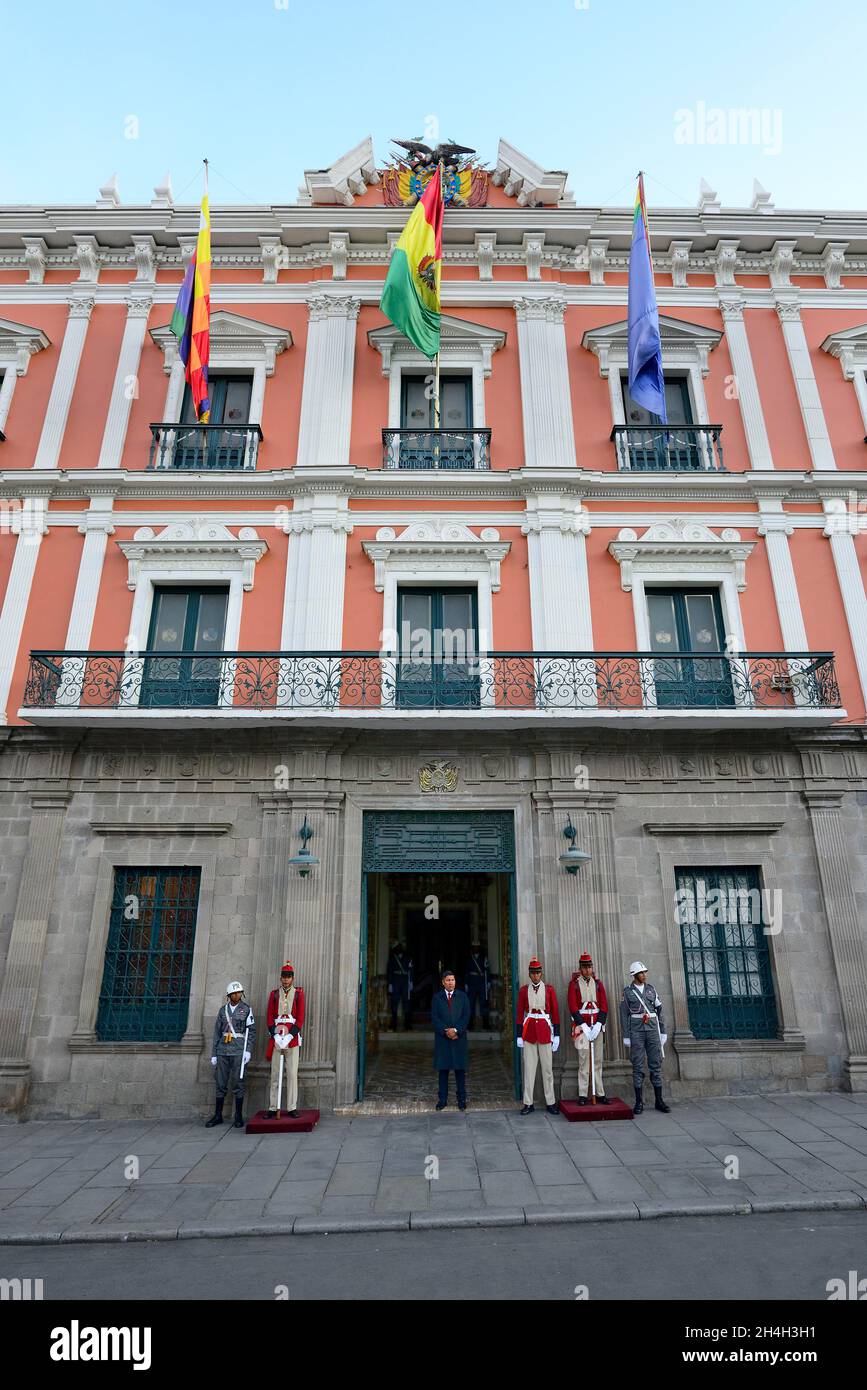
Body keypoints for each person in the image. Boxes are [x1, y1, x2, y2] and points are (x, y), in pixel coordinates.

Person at [619, 961, 670, 1115]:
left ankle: (659, 1100)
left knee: (655, 1064)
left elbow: (659, 1011)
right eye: (641, 973)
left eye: (644, 972)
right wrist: (626, 1035)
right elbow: (623, 1015)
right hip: (637, 1031)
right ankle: (639, 1101)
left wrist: (663, 1031)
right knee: (638, 1065)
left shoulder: (651, 989)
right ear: (634, 975)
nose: (644, 975)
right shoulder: (628, 992)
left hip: (653, 1030)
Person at [206, 981, 256, 1129]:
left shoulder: (246, 1010)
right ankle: (218, 1115)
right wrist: (214, 1053)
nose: (237, 995)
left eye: (239, 992)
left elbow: (251, 1032)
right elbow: (216, 1032)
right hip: (223, 1050)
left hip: (238, 1050)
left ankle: (238, 1115)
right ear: (229, 995)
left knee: (238, 1082)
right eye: (234, 993)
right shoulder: (223, 1011)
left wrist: (248, 1050)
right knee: (220, 1082)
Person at [516, 957, 560, 1115]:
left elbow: (555, 1012)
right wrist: (518, 1034)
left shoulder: (549, 990)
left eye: (538, 973)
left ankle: (550, 1102)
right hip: (528, 1033)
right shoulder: (523, 990)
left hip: (545, 1031)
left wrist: (557, 1035)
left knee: (548, 1070)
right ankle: (528, 1103)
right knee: (529, 1070)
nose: (536, 976)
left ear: (541, 973)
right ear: (529, 974)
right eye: (533, 973)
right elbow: (520, 1012)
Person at [567, 952, 610, 1104]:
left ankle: (600, 1092)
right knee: (584, 1061)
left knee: (598, 1060)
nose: (587, 970)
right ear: (580, 968)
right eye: (584, 967)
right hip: (582, 1028)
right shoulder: (573, 985)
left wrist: (599, 1024)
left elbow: (604, 1005)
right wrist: (583, 1026)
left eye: (589, 967)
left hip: (597, 1026)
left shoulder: (598, 984)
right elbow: (573, 1007)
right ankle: (583, 1094)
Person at [265, 962, 304, 1118]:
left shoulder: (299, 995)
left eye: (289, 977)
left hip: (291, 1038)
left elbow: (300, 1018)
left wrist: (290, 1035)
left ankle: (292, 1106)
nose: (286, 980)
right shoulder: (274, 994)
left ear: (293, 978)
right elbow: (269, 1016)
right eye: (284, 977)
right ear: (280, 978)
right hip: (276, 1036)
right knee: (275, 1073)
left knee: (292, 1073)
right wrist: (274, 1034)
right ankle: (273, 1107)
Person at [431, 968, 470, 1110]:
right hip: (443, 1039)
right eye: (447, 980)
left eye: (452, 980)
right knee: (443, 1071)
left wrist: (456, 1030)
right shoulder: (437, 998)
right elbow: (435, 1018)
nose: (450, 983)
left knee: (460, 1071)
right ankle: (442, 1100)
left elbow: (466, 1016)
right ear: (443, 982)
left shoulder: (462, 997)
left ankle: (461, 1100)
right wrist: (445, 1031)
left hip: (459, 1038)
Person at [386, 941, 414, 1032]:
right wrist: (390, 983)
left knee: (407, 1002)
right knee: (394, 1002)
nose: (399, 949)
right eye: (397, 947)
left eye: (399, 947)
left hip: (405, 981)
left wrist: (411, 981)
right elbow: (389, 971)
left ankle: (407, 1023)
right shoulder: (392, 958)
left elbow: (411, 970)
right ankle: (394, 1023)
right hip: (395, 981)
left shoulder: (408, 958)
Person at [465, 942, 491, 1030]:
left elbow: (487, 970)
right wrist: (466, 983)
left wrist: (488, 982)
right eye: (474, 947)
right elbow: (467, 972)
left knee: (484, 1003)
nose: (475, 949)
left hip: (481, 982)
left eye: (477, 947)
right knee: (470, 1003)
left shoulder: (484, 958)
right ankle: (470, 1024)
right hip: (472, 983)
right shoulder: (469, 958)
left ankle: (486, 1024)